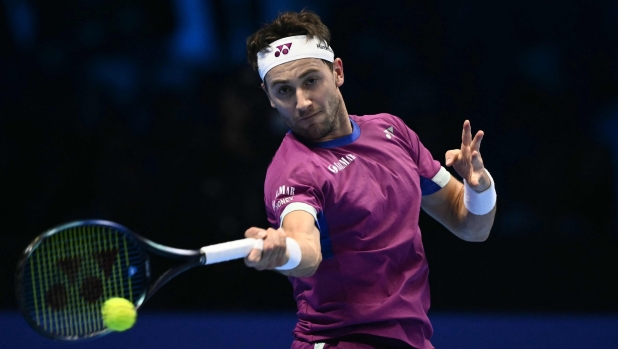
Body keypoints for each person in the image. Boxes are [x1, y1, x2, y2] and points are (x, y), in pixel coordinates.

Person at [242, 10, 497, 349]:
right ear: (270, 97)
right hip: (341, 341)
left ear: (337, 72)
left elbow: (470, 226)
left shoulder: (392, 132)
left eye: (311, 81)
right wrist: (284, 251)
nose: (301, 102)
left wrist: (480, 187)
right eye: (284, 90)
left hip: (412, 339)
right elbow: (305, 249)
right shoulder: (293, 170)